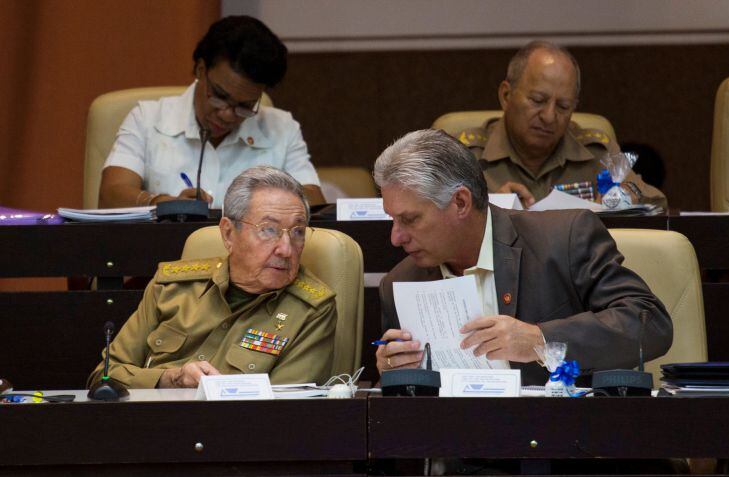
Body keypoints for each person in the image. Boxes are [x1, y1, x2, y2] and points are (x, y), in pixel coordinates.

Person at [373, 129, 672, 385]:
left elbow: (649, 322)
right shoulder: (400, 283)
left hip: (565, 440)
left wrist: (541, 341)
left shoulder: (564, 239)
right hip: (456, 445)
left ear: (461, 202)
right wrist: (395, 376)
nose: (396, 237)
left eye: (410, 219)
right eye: (393, 220)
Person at [87, 166, 336, 389]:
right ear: (228, 233)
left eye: (298, 232)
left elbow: (282, 411)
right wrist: (170, 379)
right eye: (269, 230)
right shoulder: (171, 287)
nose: (286, 249)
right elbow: (104, 378)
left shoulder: (312, 309)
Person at [99, 16, 325, 209]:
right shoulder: (147, 119)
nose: (227, 115)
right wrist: (164, 204)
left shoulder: (282, 128)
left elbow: (314, 201)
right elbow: (111, 194)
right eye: (219, 96)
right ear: (200, 69)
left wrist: (256, 207)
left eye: (245, 106)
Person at [457, 41, 666, 208]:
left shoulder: (596, 152)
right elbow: (432, 220)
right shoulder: (464, 155)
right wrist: (487, 208)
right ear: (506, 95)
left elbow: (656, 202)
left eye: (563, 106)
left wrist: (626, 195)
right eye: (538, 100)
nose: (549, 116)